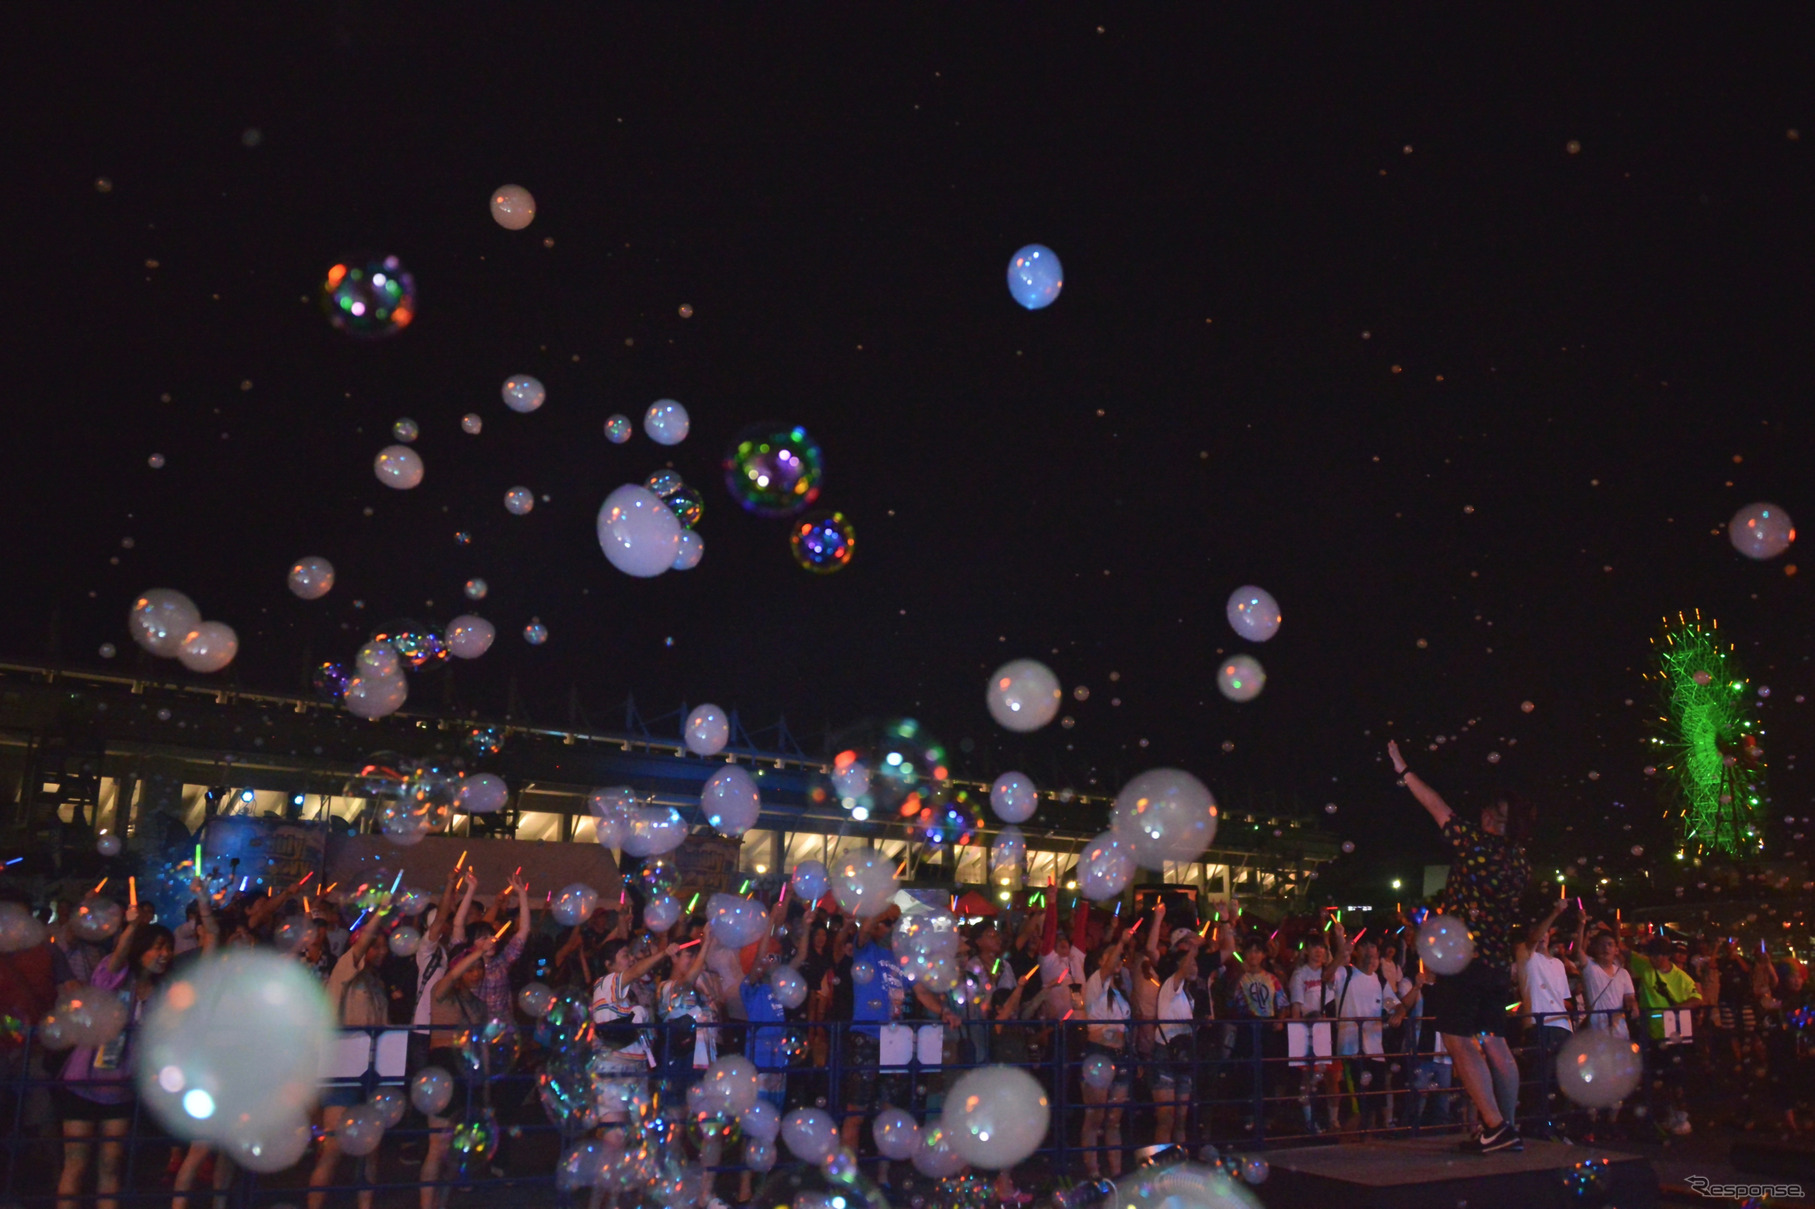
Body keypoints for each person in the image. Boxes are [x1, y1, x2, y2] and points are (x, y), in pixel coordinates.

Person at [1387, 738, 1531, 1153]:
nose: (1481, 814)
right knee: (1495, 1040)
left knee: (1456, 1037)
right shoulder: (1520, 860)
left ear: (1494, 819)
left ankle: (1494, 1124)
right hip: (1496, 963)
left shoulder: (1476, 846)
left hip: (1465, 962)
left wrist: (1403, 769)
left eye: (1490, 812)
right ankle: (1506, 1126)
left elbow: (1435, 805)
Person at [55, 903, 172, 1209]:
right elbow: (115, 963)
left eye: (168, 949)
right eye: (158, 947)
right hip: (84, 1083)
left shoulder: (161, 993)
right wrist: (131, 927)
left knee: (111, 1166)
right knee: (76, 1165)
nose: (165, 954)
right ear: (140, 949)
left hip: (120, 1089)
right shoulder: (116, 974)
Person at [307, 910, 391, 1209]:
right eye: (375, 946)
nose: (382, 952)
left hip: (373, 1068)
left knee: (372, 1147)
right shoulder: (345, 970)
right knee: (333, 1147)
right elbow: (359, 945)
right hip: (342, 1066)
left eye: (383, 947)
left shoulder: (376, 983)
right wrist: (378, 917)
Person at [420, 936, 493, 1209]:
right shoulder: (441, 992)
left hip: (469, 1073)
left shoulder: (478, 1006)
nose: (477, 973)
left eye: (480, 968)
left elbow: (483, 1046)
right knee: (436, 1148)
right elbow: (452, 977)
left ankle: (441, 1203)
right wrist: (478, 952)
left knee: (455, 1150)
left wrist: (485, 1089)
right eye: (471, 968)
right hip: (443, 1069)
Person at [1630, 935, 1704, 1136]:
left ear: (1667, 956)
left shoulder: (1681, 977)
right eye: (1652, 956)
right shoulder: (1646, 967)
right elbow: (1625, 952)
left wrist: (1677, 1008)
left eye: (1658, 956)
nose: (1654, 960)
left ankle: (1680, 1115)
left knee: (1675, 1077)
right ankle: (1668, 1115)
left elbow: (1698, 998)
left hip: (1673, 1035)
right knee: (1658, 1078)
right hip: (1652, 1034)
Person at [1519, 901, 1578, 1138]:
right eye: (1540, 933)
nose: (1543, 937)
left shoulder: (1558, 964)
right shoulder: (1526, 955)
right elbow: (1532, 940)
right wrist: (1554, 911)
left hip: (1562, 1026)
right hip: (1540, 1025)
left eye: (1547, 934)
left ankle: (1559, 1126)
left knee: (1559, 1082)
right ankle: (1537, 1127)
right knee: (1539, 1079)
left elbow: (1564, 998)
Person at [1079, 929, 1132, 1179]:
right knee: (1095, 1116)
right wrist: (1120, 941)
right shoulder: (1094, 983)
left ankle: (1117, 1172)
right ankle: (1093, 1172)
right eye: (1111, 957)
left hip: (1120, 1055)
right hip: (1099, 1054)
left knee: (1113, 1119)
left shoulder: (1119, 992)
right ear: (1101, 961)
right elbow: (1111, 965)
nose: (1118, 960)